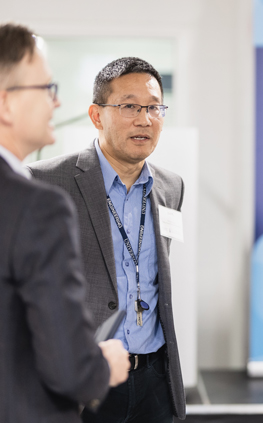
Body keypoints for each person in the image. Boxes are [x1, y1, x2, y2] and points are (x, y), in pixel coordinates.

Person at [29, 57, 186, 422]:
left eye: (154, 107)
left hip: (155, 377)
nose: (144, 119)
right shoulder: (46, 182)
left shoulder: (171, 186)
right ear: (97, 115)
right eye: (129, 106)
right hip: (84, 381)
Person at [0, 23, 130, 423]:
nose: (56, 103)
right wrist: (103, 364)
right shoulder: (38, 206)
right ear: (5, 104)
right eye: (46, 89)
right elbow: (68, 368)